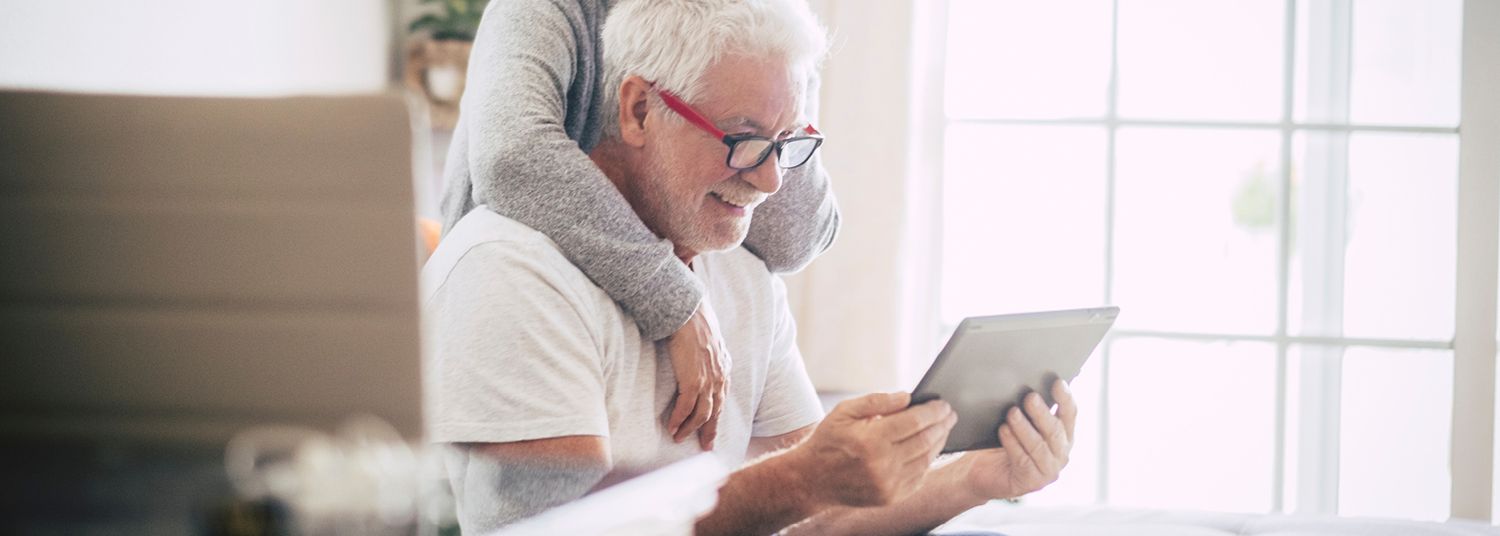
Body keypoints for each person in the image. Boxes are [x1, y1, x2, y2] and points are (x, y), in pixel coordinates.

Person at [421, 0, 1077, 534]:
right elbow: (567, 531)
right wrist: (802, 476)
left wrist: (974, 480)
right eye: (742, 140)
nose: (769, 183)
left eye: (788, 145)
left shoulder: (737, 268)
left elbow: (814, 521)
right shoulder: (510, 272)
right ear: (639, 109)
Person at [438, 0, 843, 448]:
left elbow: (792, 237)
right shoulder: (545, 10)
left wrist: (772, 92)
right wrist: (677, 299)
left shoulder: (760, 24)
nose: (770, 182)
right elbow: (512, 157)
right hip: (521, 312)